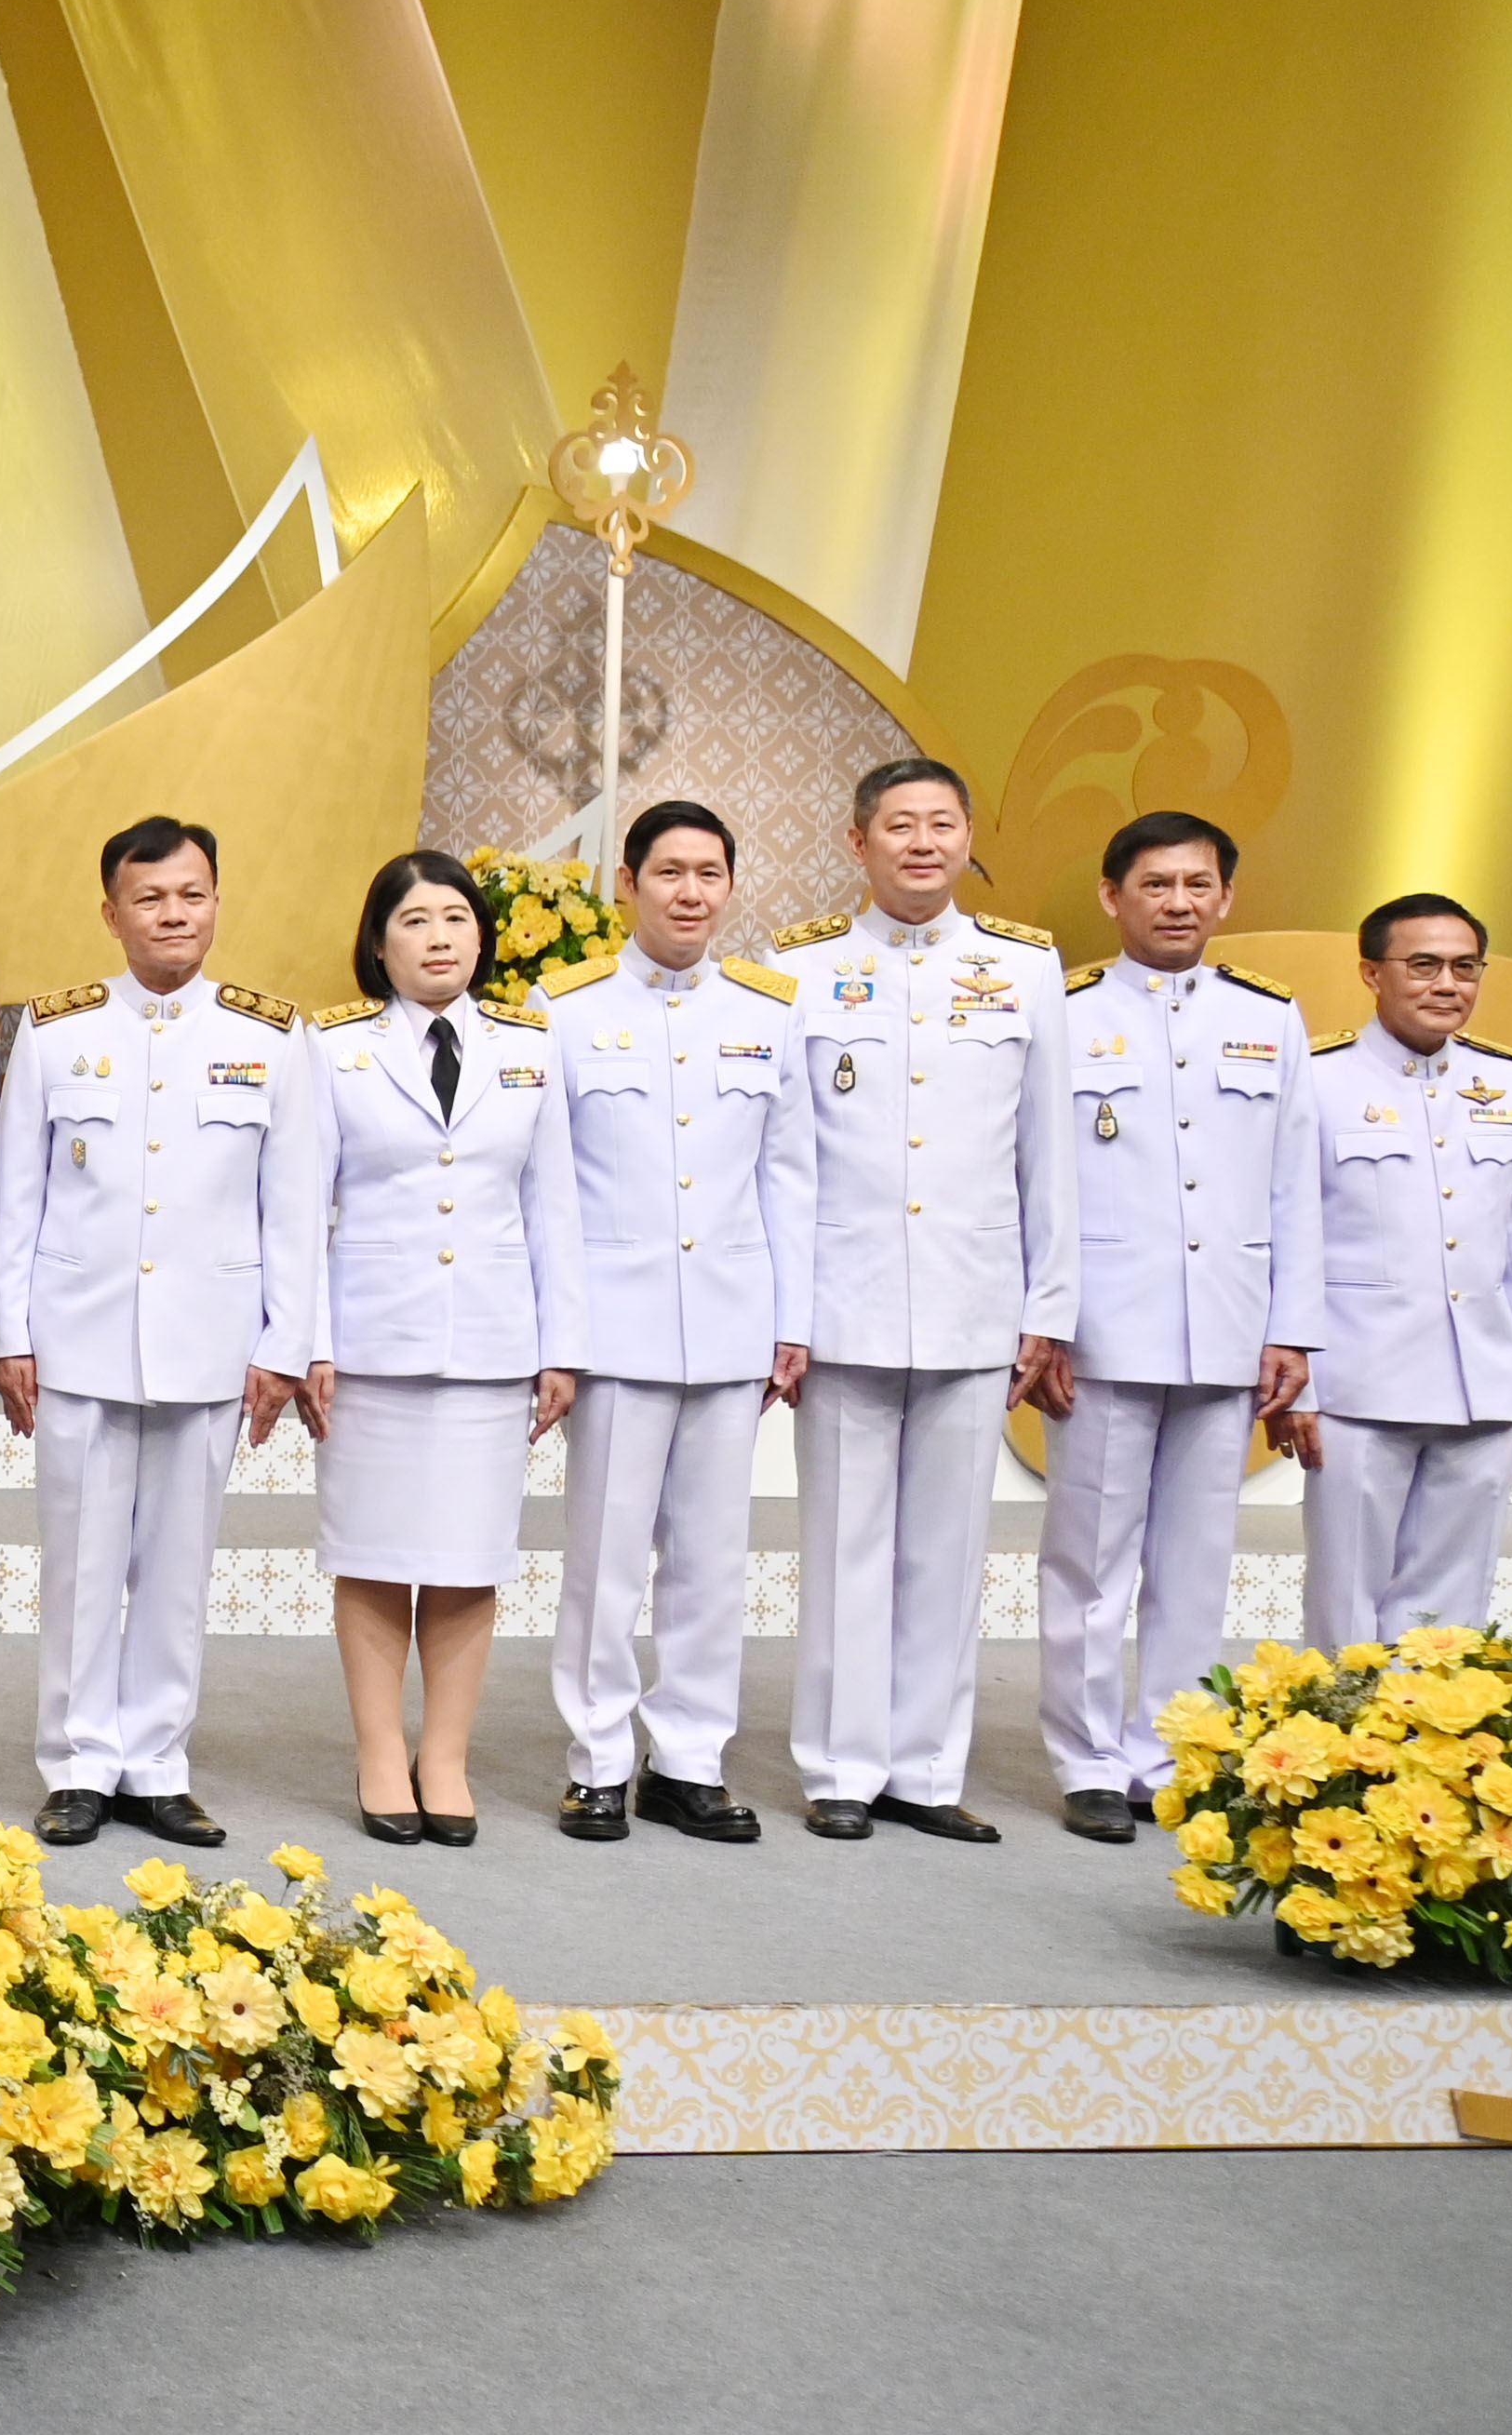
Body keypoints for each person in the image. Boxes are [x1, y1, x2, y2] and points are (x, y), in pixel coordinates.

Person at [0, 814, 319, 1850]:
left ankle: (158, 1765)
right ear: (111, 912)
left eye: (192, 895)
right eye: (151, 898)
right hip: (78, 1336)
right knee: (81, 1566)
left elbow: (293, 1205)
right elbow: (14, 1196)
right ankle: (80, 1763)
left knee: (179, 1570)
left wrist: (284, 1343)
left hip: (212, 1340)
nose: (175, 915)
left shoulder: (271, 1036)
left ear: (217, 901)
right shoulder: (56, 1031)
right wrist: (8, 1333)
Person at [765, 755, 1072, 1843]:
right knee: (844, 1546)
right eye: (900, 825)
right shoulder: (800, 967)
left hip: (974, 1297)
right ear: (860, 842)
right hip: (844, 1301)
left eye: (943, 822)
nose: (924, 842)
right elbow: (787, 1158)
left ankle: (927, 1771)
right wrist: (789, 1313)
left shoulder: (1024, 968)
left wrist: (1050, 1306)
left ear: (968, 836)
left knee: (948, 1551)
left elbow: (1049, 1150)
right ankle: (842, 1768)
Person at [1032, 811, 1319, 1840]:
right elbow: (1038, 1184)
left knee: (1196, 1565)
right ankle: (1087, 1758)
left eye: (1199, 884)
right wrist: (1047, 1320)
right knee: (1090, 1560)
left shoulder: (1269, 1017)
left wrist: (1293, 1328)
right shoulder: (1064, 1011)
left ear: (1226, 897)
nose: (1179, 903)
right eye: (1156, 884)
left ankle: (1170, 1752)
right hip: (1105, 1328)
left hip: (1228, 1329)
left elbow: (1296, 1183)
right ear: (1113, 897)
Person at [298, 851, 579, 1847]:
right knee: (373, 1554)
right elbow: (300, 1207)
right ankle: (382, 1752)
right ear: (379, 944)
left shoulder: (529, 1046)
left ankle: (446, 1757)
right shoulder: (333, 1047)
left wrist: (562, 1346)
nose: (439, 938)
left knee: (467, 1558)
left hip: (492, 1344)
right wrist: (308, 1341)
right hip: (370, 1343)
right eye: (414, 921)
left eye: (456, 917)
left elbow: (553, 1206)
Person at [528, 800, 794, 1847]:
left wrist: (791, 1322)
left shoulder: (770, 1012)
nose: (691, 893)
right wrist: (561, 1334)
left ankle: (689, 1761)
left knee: (712, 1561)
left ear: (730, 885)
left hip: (731, 1325)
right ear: (627, 883)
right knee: (605, 1559)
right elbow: (549, 1191)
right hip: (615, 1330)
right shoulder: (564, 1008)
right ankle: (597, 1759)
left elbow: (790, 1178)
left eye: (709, 873)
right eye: (670, 872)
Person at [1278, 891, 1512, 1651]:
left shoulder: (1511, 1083)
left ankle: (1429, 1725)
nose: (1447, 984)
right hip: (1357, 1381)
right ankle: (1342, 1723)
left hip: (1481, 1382)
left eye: (1466, 968)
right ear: (1372, 972)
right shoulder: (1319, 1077)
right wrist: (1304, 1384)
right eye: (1424, 965)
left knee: (1452, 1606)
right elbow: (1291, 1236)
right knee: (1347, 1594)